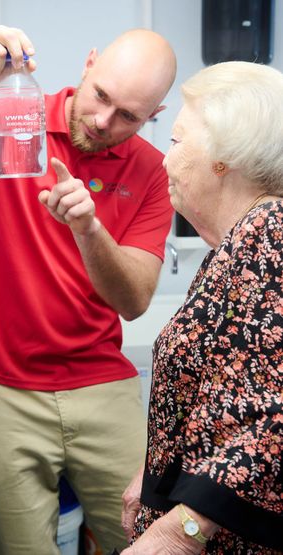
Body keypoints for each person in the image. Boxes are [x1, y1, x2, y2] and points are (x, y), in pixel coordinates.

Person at [0, 24, 177, 554]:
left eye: (128, 115)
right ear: (89, 62)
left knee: (155, 538)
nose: (104, 122)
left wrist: (91, 230)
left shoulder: (153, 173)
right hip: (1, 387)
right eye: (101, 96)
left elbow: (134, 301)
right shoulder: (8, 115)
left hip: (102, 385)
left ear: (153, 117)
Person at [120, 60, 283, 555]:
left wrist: (178, 534)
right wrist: (151, 470)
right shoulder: (235, 244)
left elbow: (273, 420)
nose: (163, 161)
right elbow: (221, 395)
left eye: (175, 142)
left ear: (222, 158)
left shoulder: (269, 235)